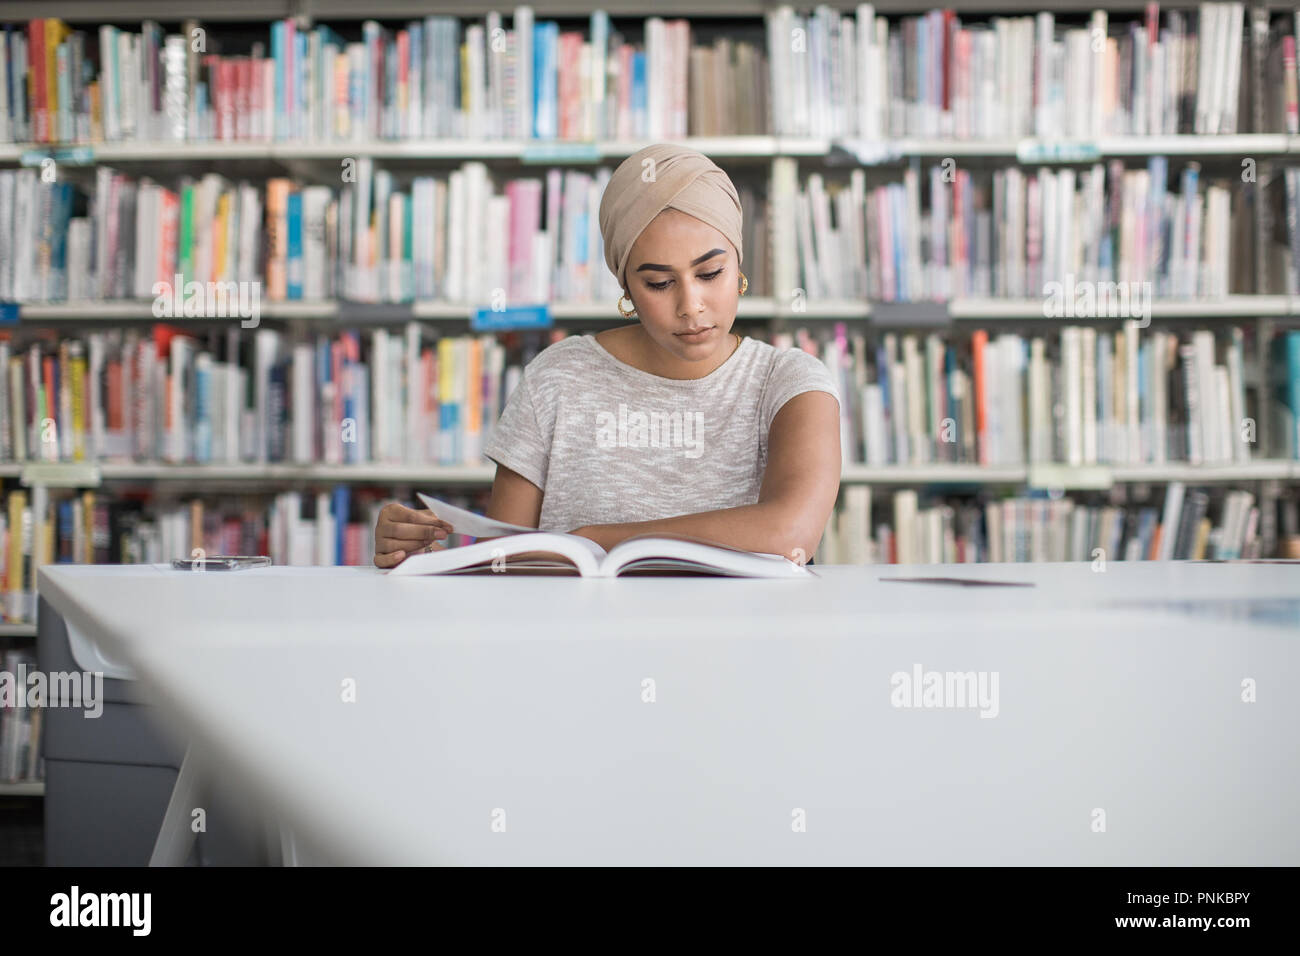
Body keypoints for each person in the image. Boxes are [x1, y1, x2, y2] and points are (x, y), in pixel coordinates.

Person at [373, 143, 841, 568]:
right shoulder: (557, 377)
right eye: (658, 283)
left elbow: (791, 534)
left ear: (738, 263)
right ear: (627, 288)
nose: (691, 305)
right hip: (579, 649)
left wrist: (593, 539)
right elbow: (507, 566)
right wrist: (416, 554)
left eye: (711, 272)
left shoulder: (790, 381)